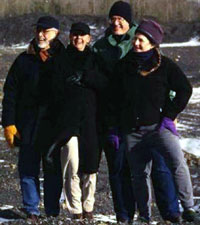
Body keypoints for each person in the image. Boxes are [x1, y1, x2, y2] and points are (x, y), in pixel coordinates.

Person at [93, 1, 179, 223]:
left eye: (121, 18)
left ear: (129, 20)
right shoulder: (100, 47)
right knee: (120, 168)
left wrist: (170, 113)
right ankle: (125, 215)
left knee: (160, 167)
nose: (116, 22)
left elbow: (164, 76)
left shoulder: (144, 38)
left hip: (150, 116)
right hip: (116, 116)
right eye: (113, 18)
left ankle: (171, 212)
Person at [114, 19, 197, 224]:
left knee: (177, 164)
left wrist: (169, 115)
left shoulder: (165, 65)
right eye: (135, 39)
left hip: (159, 128)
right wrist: (118, 125)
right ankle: (145, 216)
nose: (136, 43)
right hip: (133, 131)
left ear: (152, 43)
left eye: (141, 40)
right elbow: (114, 97)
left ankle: (188, 208)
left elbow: (185, 89)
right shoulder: (124, 66)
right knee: (139, 175)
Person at [2, 16, 64, 223]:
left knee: (52, 169)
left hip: (53, 126)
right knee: (27, 169)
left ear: (56, 33)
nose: (41, 34)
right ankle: (32, 210)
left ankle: (52, 210)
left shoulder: (64, 59)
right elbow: (10, 93)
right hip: (27, 125)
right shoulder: (23, 60)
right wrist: (8, 123)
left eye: (46, 31)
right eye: (38, 30)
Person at [48, 22, 107, 220]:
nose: (78, 39)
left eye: (83, 35)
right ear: (70, 37)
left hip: (91, 121)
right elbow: (53, 89)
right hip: (68, 122)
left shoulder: (96, 59)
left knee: (90, 166)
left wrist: (86, 77)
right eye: (75, 35)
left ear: (89, 38)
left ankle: (88, 206)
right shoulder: (61, 60)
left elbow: (106, 84)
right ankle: (75, 209)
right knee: (71, 163)